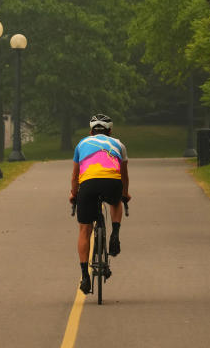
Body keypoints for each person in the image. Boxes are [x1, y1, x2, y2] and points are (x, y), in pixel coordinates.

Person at [69, 113, 130, 295]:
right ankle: (115, 234)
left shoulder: (82, 144)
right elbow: (124, 175)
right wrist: (125, 194)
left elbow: (75, 176)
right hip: (112, 183)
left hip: (88, 185)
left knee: (84, 230)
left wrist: (74, 194)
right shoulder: (119, 144)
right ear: (110, 131)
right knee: (116, 201)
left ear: (90, 131)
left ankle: (85, 276)